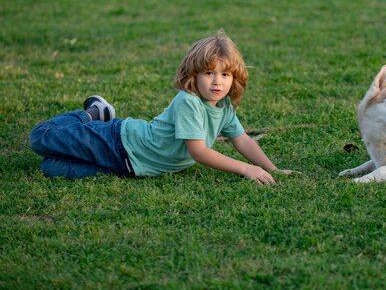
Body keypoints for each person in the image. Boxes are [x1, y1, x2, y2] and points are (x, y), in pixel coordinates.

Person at [29, 30, 291, 184]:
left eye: (225, 75)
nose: (217, 82)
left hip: (130, 167)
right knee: (40, 138)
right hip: (118, 141)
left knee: (51, 168)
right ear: (194, 74)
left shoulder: (223, 106)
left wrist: (272, 169)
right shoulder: (189, 102)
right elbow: (198, 151)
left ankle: (94, 124)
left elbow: (243, 140)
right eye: (209, 73)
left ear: (234, 78)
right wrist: (245, 168)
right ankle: (92, 114)